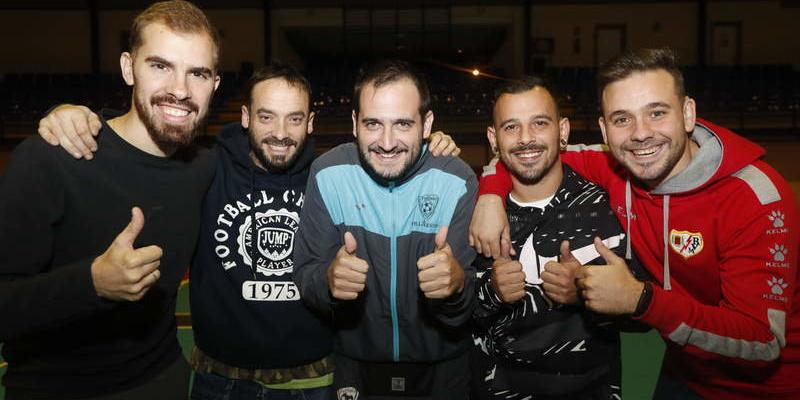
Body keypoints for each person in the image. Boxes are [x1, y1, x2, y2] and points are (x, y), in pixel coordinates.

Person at [37, 63, 460, 399]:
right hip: (218, 381)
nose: (280, 133)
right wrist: (74, 116)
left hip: (312, 382)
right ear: (245, 118)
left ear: (311, 122)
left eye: (294, 118)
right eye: (266, 117)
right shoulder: (205, 168)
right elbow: (143, 148)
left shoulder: (332, 175)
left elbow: (391, 148)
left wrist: (431, 145)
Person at [471, 47, 800, 399]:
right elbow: (530, 153)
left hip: (769, 388)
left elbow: (763, 341)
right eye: (622, 119)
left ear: (688, 113)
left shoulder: (755, 197)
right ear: (605, 129)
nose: (640, 134)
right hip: (681, 374)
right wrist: (490, 192)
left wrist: (642, 301)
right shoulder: (620, 168)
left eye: (656, 113)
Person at [0, 1, 220, 399]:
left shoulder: (205, 168)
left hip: (164, 378)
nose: (180, 89)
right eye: (160, 66)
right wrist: (92, 283)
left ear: (215, 85)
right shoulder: (51, 157)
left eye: (198, 73)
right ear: (127, 67)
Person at [292, 59, 477, 400]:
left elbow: (468, 305)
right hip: (353, 365)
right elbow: (306, 275)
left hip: (444, 368)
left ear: (427, 124)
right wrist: (329, 281)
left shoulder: (458, 179)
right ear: (354, 123)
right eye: (373, 124)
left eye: (403, 124)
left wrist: (457, 285)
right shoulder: (327, 173)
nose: (387, 142)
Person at [471, 76, 635, 400]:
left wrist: (586, 293)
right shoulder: (474, 211)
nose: (526, 139)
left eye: (539, 123)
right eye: (511, 127)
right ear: (493, 138)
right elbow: (445, 312)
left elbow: (644, 314)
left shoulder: (608, 206)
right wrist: (491, 291)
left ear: (562, 131)